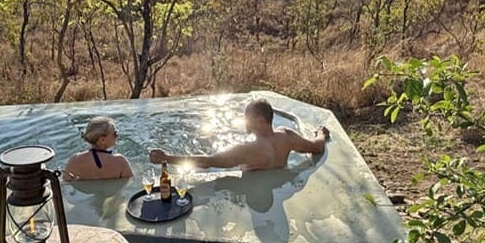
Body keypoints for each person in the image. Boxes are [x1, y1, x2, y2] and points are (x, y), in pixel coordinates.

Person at [149, 99, 331, 171]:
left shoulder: (248, 149)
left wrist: (168, 158)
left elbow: (208, 162)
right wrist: (321, 133)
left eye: (248, 119)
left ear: (261, 120)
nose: (245, 123)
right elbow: (316, 147)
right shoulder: (287, 136)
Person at [63, 117, 134, 181]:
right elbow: (131, 184)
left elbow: (65, 184)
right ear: (102, 140)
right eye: (115, 133)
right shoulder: (120, 161)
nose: (117, 136)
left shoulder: (75, 160)